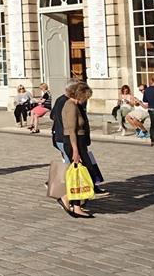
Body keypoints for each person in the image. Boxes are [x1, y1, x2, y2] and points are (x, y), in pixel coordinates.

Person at [57, 82, 97, 218]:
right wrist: (75, 151)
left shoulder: (75, 105)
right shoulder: (71, 106)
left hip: (79, 143)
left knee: (82, 174)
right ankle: (69, 201)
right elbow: (72, 131)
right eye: (86, 97)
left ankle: (74, 204)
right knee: (82, 174)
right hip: (74, 143)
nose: (86, 100)